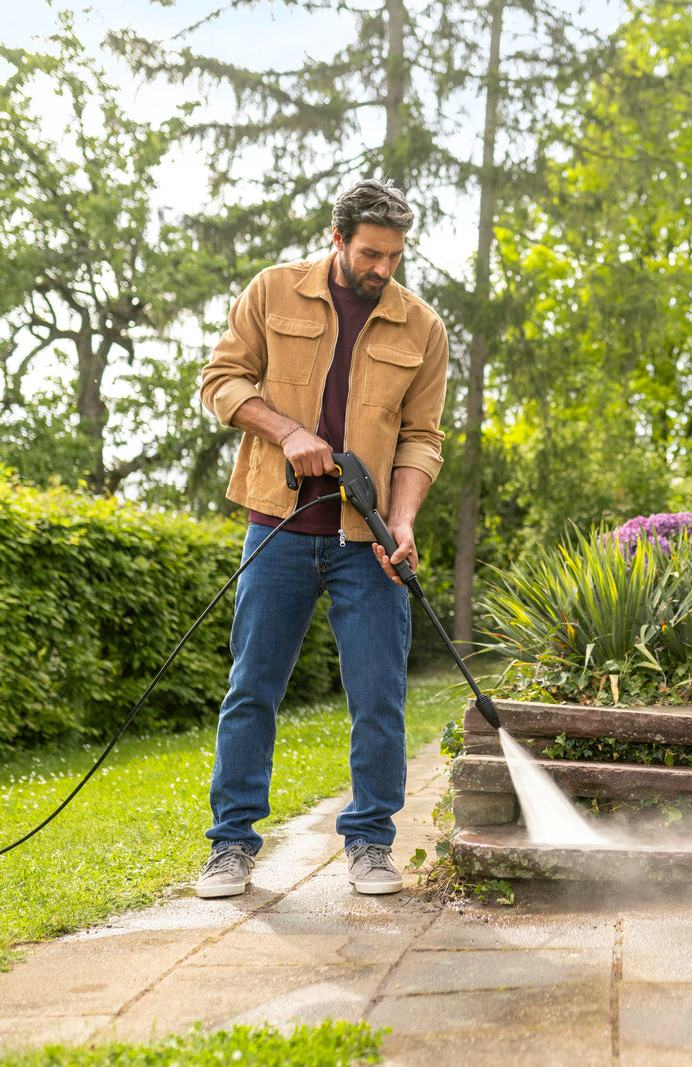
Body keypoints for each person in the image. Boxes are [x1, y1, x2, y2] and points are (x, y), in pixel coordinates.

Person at [192, 179, 447, 897]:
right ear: (337, 239)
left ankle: (370, 843)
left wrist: (402, 520)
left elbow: (422, 438)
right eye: (370, 254)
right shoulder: (273, 291)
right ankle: (231, 844)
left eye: (395, 256)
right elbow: (221, 381)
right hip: (277, 529)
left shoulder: (422, 327)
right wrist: (288, 431)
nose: (383, 269)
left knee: (379, 697)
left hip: (368, 541)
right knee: (252, 687)